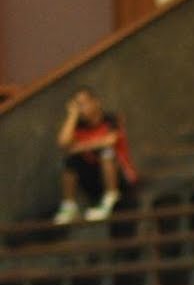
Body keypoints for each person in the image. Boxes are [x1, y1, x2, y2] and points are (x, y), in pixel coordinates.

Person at [53, 87, 138, 224]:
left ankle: (111, 197)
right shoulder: (78, 126)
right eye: (77, 105)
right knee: (71, 160)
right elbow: (63, 144)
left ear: (95, 102)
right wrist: (72, 116)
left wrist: (78, 147)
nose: (81, 109)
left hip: (121, 178)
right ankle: (69, 206)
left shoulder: (111, 119)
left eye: (83, 104)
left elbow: (110, 141)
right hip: (95, 179)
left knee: (106, 152)